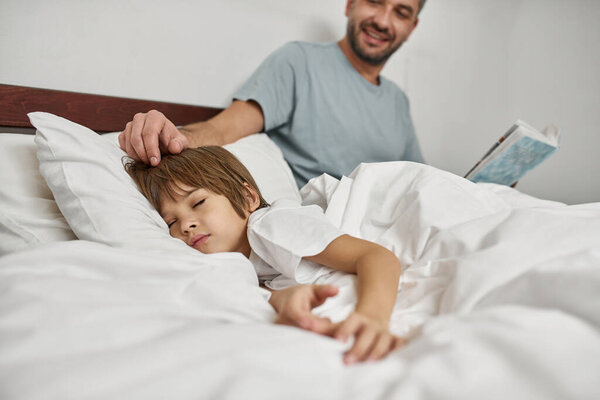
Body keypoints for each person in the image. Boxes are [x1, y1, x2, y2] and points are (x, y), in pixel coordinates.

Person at [125, 146, 405, 364]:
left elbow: (376, 256)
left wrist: (373, 317)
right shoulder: (230, 267)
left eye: (198, 202)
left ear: (248, 198)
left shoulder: (269, 225)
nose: (186, 225)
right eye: (171, 223)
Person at [119, 0, 426, 188]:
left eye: (400, 13)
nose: (383, 21)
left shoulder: (399, 101)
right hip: (325, 230)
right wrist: (168, 135)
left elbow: (422, 181)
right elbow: (222, 128)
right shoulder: (298, 62)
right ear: (350, 4)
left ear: (411, 28)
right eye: (374, 1)